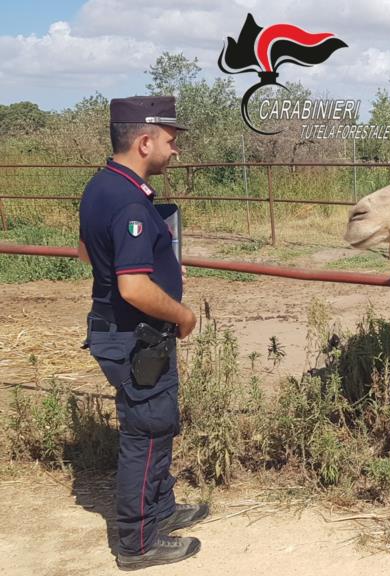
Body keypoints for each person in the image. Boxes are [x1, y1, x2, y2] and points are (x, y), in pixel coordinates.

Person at [78, 96, 206, 570]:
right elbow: (132, 287)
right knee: (147, 431)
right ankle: (136, 543)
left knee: (156, 422)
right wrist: (182, 314)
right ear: (145, 141)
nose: (175, 152)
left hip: (126, 334)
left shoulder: (102, 187)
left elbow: (86, 253)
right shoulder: (129, 199)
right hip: (136, 336)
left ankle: (162, 511)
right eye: (171, 142)